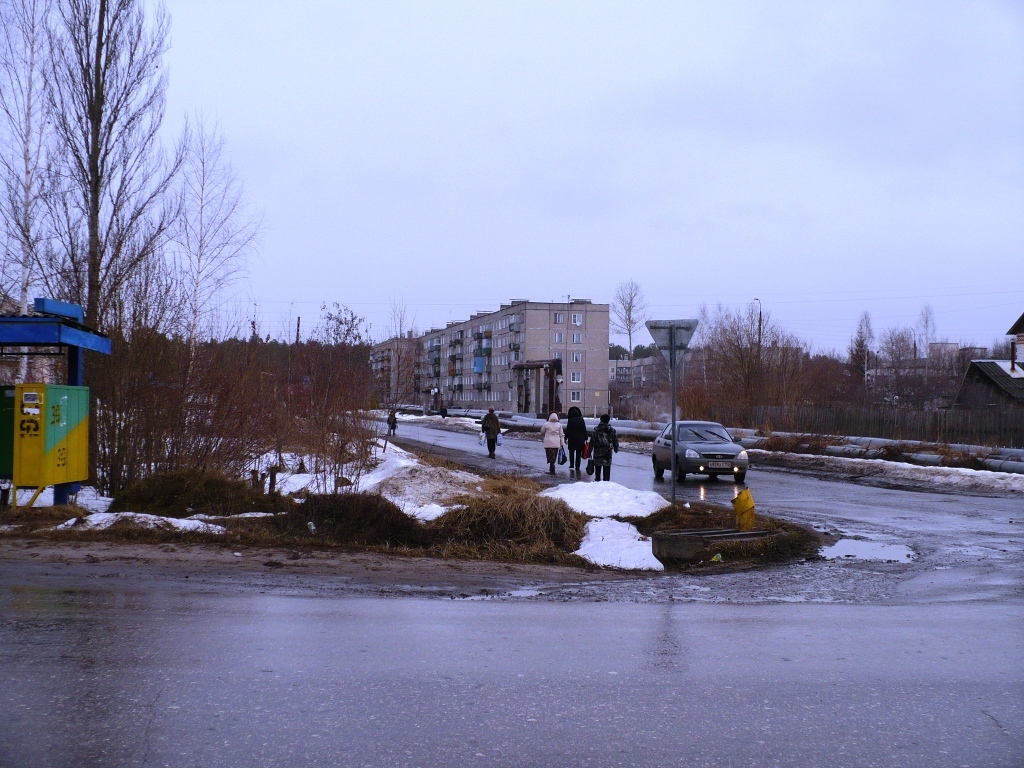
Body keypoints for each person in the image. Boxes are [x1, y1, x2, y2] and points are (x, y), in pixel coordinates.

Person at [589, 413, 619, 482]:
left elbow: (592, 441)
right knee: (607, 471)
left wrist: (589, 451)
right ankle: (606, 485)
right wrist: (616, 449)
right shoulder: (612, 430)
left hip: (597, 453)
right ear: (608, 421)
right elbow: (615, 441)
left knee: (598, 470)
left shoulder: (596, 430)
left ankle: (597, 482)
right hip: (607, 453)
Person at [564, 406, 588, 479]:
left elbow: (568, 430)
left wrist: (565, 437)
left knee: (571, 452)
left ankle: (571, 464)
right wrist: (586, 437)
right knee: (578, 453)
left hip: (572, 439)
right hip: (580, 439)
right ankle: (577, 466)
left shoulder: (570, 420)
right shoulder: (581, 420)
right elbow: (584, 429)